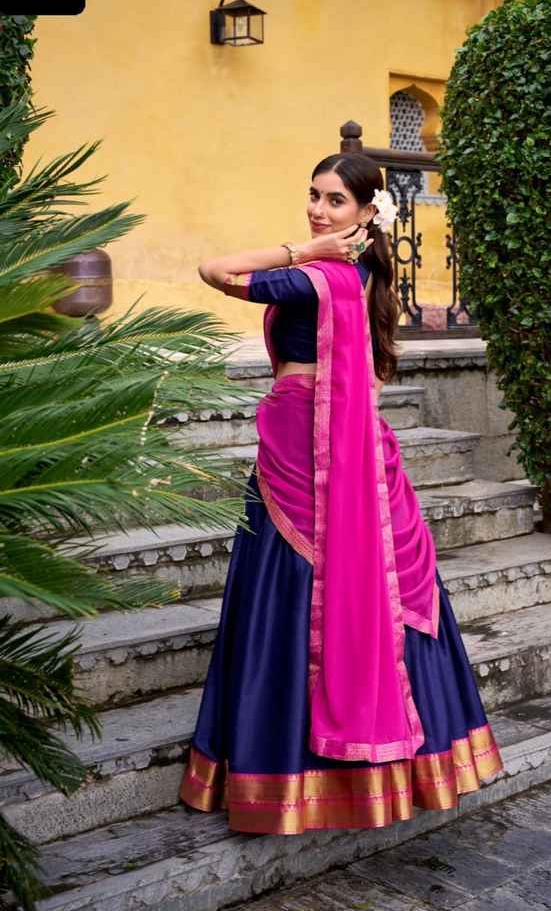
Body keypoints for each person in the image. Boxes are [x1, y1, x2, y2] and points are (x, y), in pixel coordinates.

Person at [179, 152, 505, 834]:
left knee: (296, 587)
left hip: (309, 446)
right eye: (313, 195)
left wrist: (303, 250)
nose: (317, 210)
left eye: (334, 201)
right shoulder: (361, 275)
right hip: (333, 444)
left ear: (363, 214)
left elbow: (214, 269)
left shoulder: (316, 277)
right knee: (364, 585)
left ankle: (291, 768)